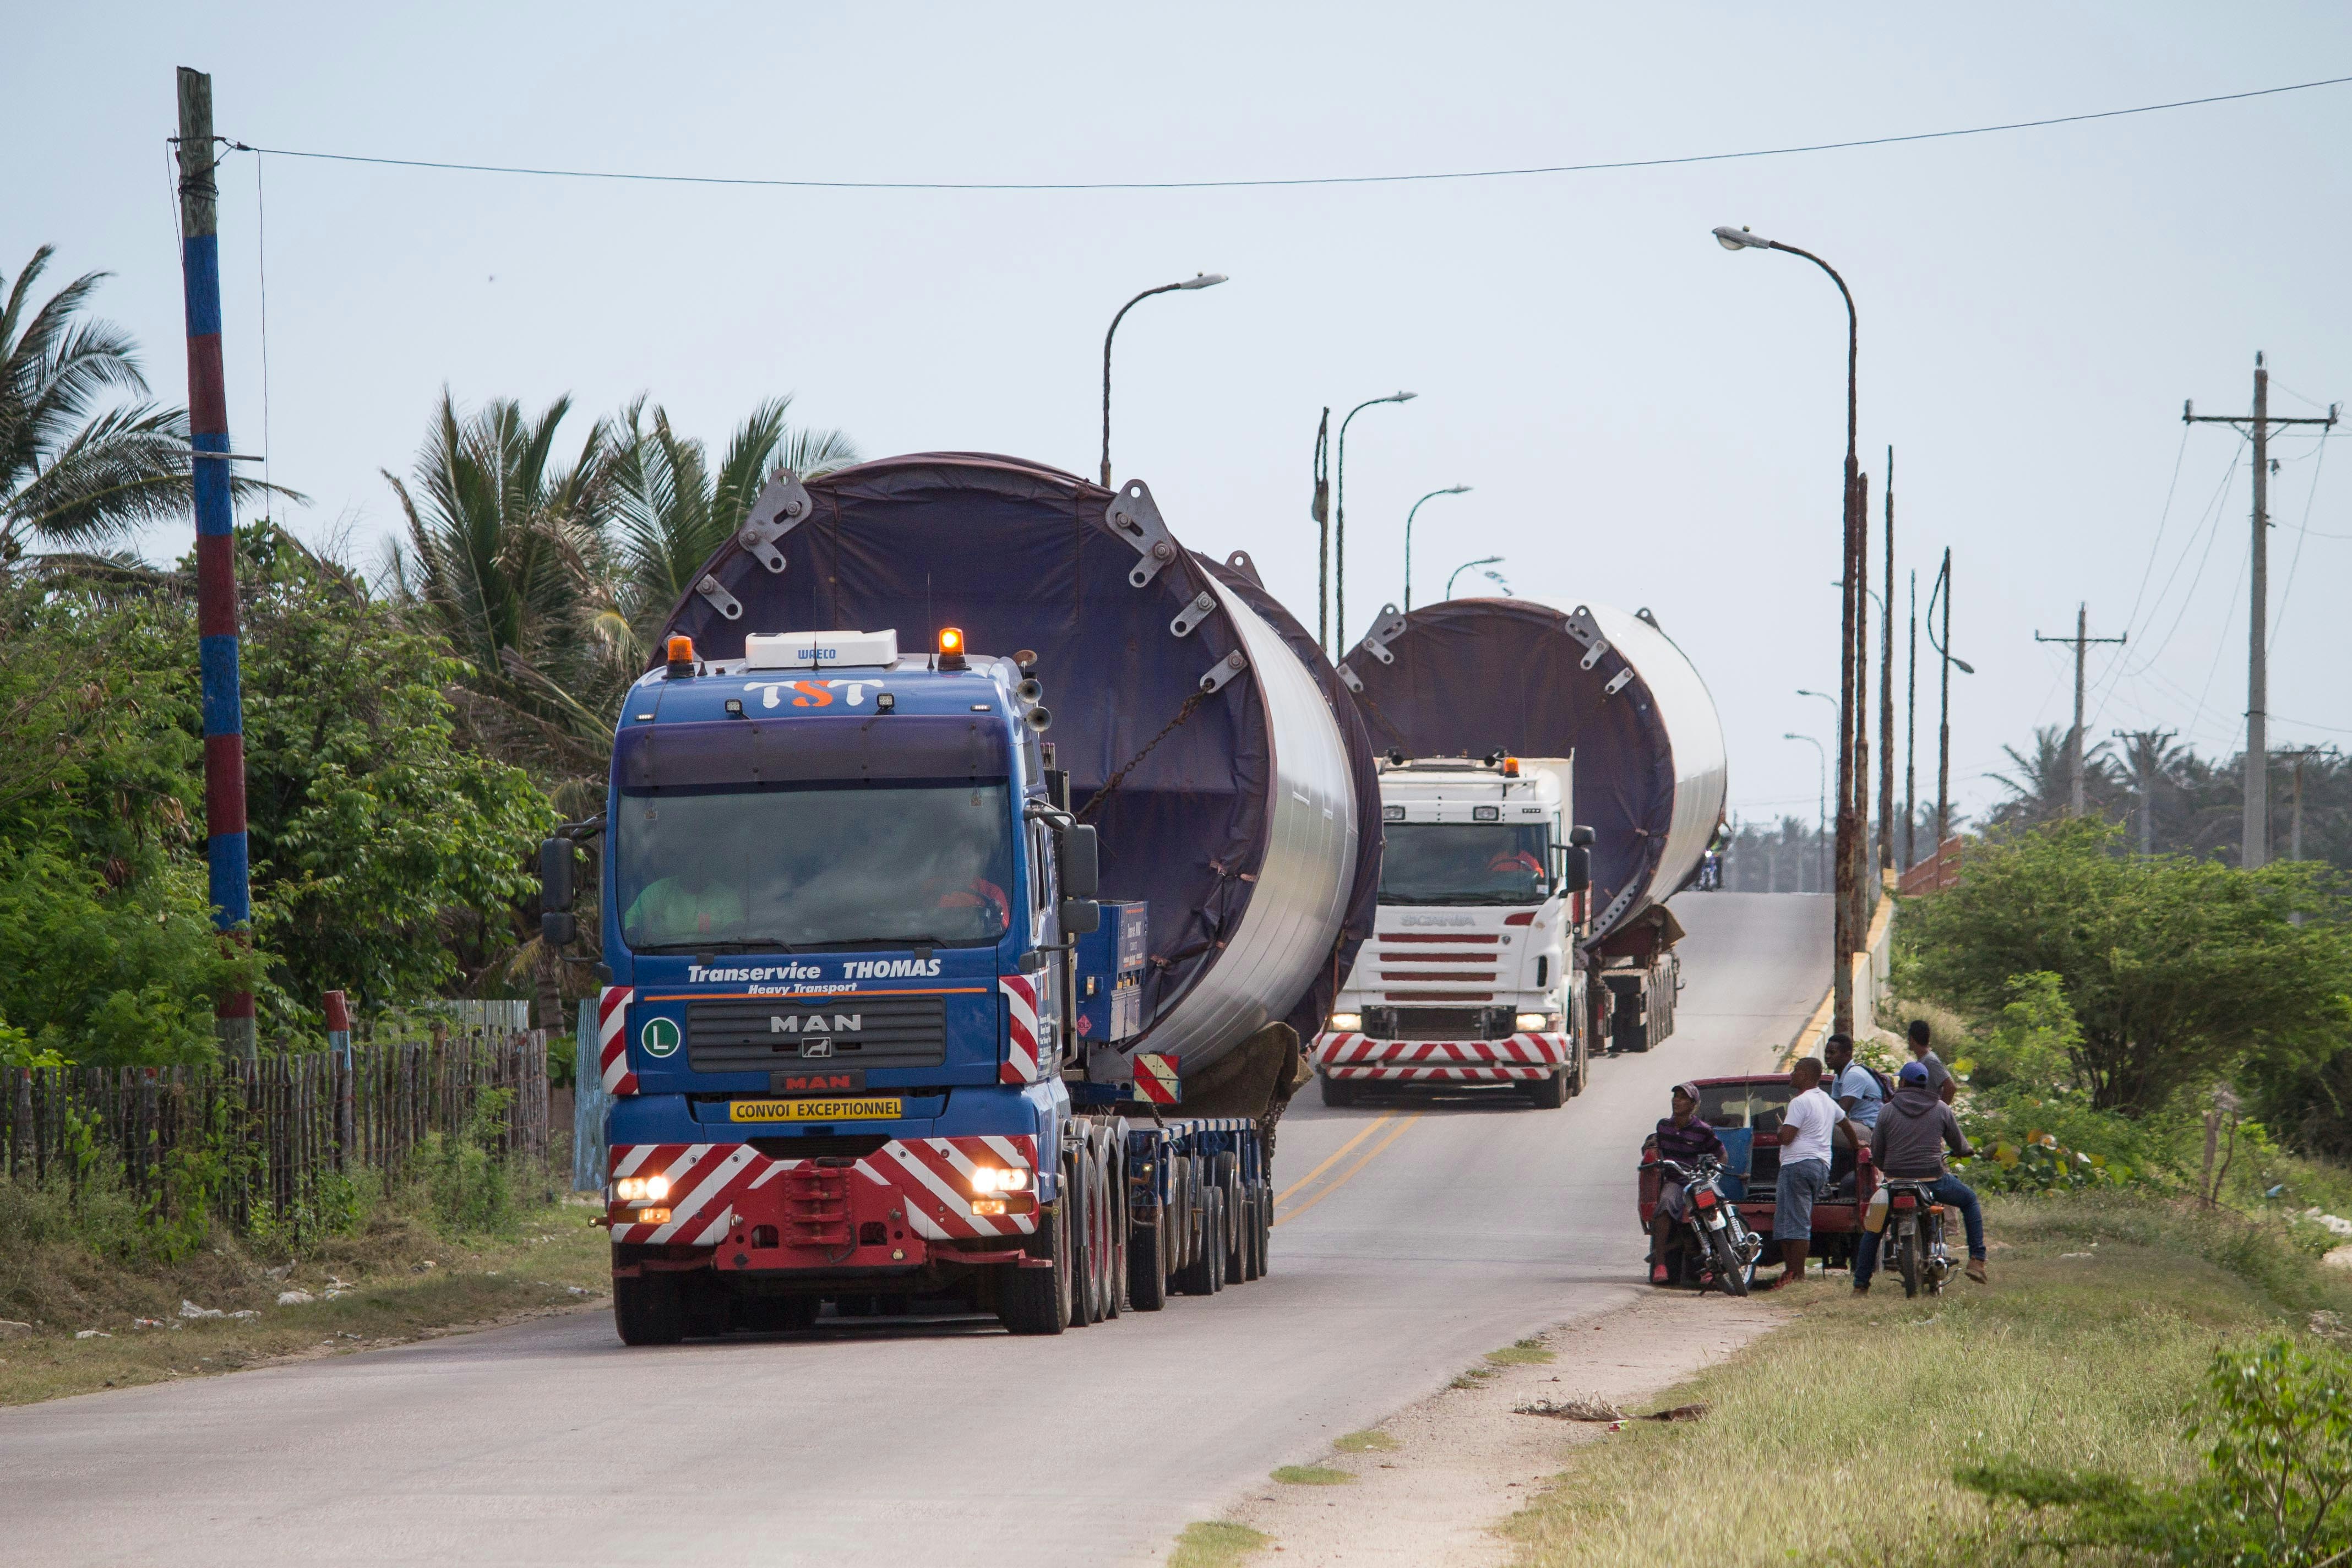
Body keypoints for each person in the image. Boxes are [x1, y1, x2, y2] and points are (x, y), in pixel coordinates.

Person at [1854, 1060, 1988, 1291]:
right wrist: (1965, 1151)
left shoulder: (1887, 1111)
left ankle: (1860, 1284)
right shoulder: (1941, 1109)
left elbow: (1877, 1152)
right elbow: (1959, 1144)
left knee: (1873, 1229)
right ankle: (1977, 1260)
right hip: (1932, 1182)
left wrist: (1888, 1169)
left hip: (1895, 1183)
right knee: (1969, 1200)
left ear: (1903, 1082)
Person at [1762, 1057, 1848, 1291]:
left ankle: (1797, 1276)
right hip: (1820, 1166)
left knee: (1796, 1222)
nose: (1792, 1074)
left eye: (1796, 1071)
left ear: (1809, 1075)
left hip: (1797, 1165)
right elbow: (1845, 1123)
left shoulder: (1799, 1102)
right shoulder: (1827, 1101)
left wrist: (1780, 1130)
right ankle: (1790, 1273)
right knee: (1789, 1220)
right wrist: (1858, 1145)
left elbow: (1787, 1138)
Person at [1647, 1082, 1726, 1286]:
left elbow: (1722, 1155)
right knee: (1664, 1205)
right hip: (1675, 1180)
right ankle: (1660, 1264)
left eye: (1682, 1097)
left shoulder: (1703, 1130)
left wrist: (1715, 1174)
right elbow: (1657, 1148)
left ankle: (1710, 1266)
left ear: (1693, 1105)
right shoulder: (1663, 1126)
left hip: (1697, 1182)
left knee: (1709, 1212)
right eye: (1675, 1096)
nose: (1676, 1100)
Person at [1825, 1033, 1884, 1145]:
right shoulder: (1839, 1078)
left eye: (1832, 1053)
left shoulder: (1854, 1075)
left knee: (1825, 1129)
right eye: (1826, 1052)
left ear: (1847, 1055)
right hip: (1857, 1124)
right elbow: (1831, 1110)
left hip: (1871, 1129)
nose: (1827, 1056)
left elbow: (1840, 1114)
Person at [1906, 1017, 1957, 1105]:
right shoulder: (1923, 1060)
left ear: (1912, 1039)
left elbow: (1951, 1087)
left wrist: (1940, 1111)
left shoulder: (1930, 1061)